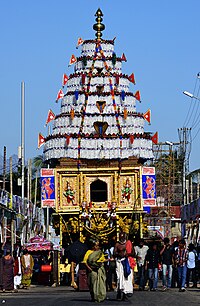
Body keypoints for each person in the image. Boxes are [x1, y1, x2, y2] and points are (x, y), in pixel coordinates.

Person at [114, 232, 134, 301]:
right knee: (119, 278)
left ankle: (125, 294)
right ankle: (119, 292)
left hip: (126, 262)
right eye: (121, 237)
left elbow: (133, 253)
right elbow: (114, 253)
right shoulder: (117, 244)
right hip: (119, 262)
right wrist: (119, 254)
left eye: (123, 237)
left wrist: (127, 254)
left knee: (126, 278)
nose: (122, 238)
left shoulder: (128, 243)